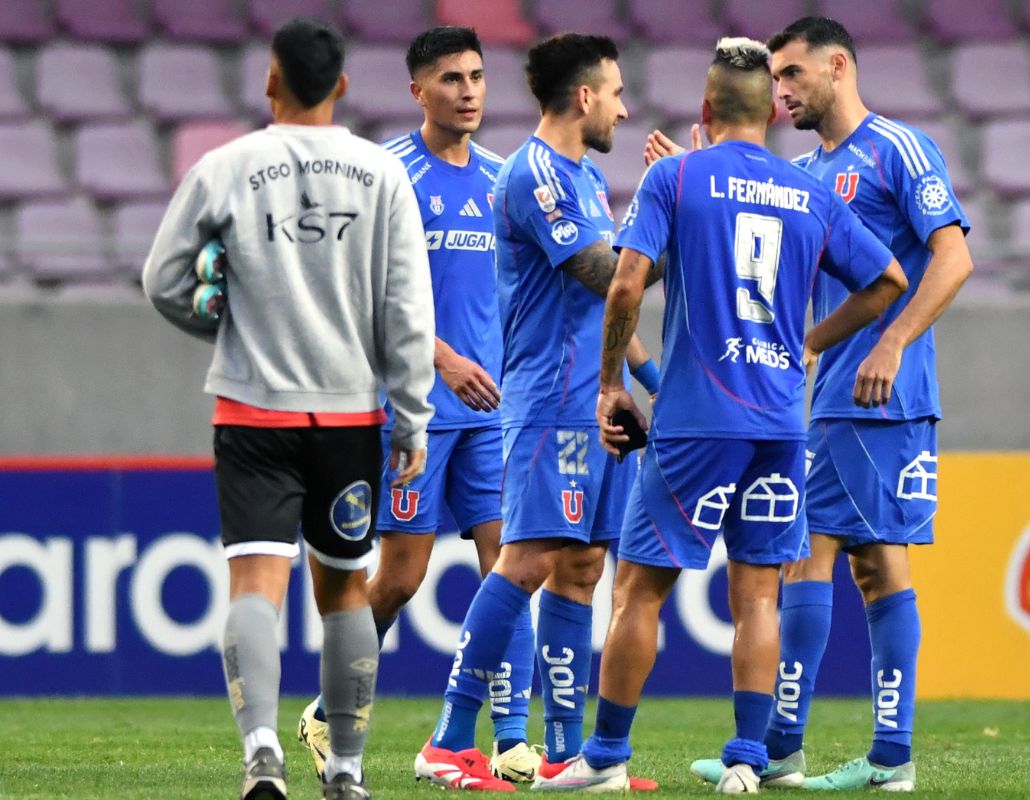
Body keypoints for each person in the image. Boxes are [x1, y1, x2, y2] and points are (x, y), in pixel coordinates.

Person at [529, 36, 908, 795]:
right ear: (772, 111)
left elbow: (628, 284)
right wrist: (809, 343)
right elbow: (889, 279)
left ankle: (603, 759)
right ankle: (745, 759)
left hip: (698, 417)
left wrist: (612, 386)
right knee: (759, 592)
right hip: (779, 423)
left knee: (641, 590)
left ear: (704, 110)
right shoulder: (811, 192)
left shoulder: (675, 176)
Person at [143, 17, 435, 800]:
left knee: (254, 587)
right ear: (341, 85)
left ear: (270, 80)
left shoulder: (226, 167)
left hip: (252, 411)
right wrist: (412, 415)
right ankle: (342, 768)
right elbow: (408, 309)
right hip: (348, 415)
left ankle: (263, 751)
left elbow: (162, 279)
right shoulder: (383, 173)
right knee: (344, 590)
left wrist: (220, 319)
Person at [680, 17, 975, 792]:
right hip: (828, 397)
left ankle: (857, 753)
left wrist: (893, 342)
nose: (781, 92)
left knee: (856, 560)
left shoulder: (898, 150)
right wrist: (698, 168)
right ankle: (825, 749)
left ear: (838, 65)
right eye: (774, 80)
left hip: (885, 394)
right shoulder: (809, 173)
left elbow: (955, 255)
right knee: (831, 558)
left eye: (793, 75)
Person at [411, 32, 662, 792]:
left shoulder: (584, 178)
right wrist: (680, 218)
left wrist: (656, 380)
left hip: (596, 400)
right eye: (615, 91)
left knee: (582, 568)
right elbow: (601, 273)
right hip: (550, 401)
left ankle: (563, 756)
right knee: (527, 563)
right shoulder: (536, 175)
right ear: (584, 97)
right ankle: (449, 738)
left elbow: (612, 306)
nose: (623, 106)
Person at [295, 26, 542, 786]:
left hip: (494, 411)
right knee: (400, 578)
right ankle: (326, 709)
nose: (467, 91)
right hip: (416, 410)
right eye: (449, 80)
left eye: (475, 77)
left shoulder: (503, 179)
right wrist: (446, 360)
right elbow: (364, 293)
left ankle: (509, 740)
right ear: (417, 92)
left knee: (512, 566)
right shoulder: (388, 175)